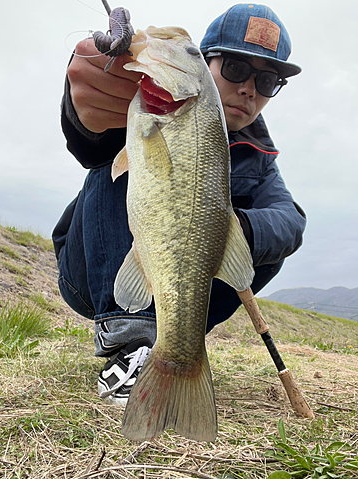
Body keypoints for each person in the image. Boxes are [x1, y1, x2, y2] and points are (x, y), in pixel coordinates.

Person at [52, 4, 306, 406]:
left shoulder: (260, 159)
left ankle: (172, 347)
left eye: (269, 79)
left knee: (267, 247)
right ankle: (130, 342)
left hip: (180, 291)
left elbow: (290, 221)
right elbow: (90, 139)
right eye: (237, 68)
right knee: (118, 159)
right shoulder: (142, 105)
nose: (249, 89)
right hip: (87, 278)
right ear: (205, 66)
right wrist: (88, 91)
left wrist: (216, 228)